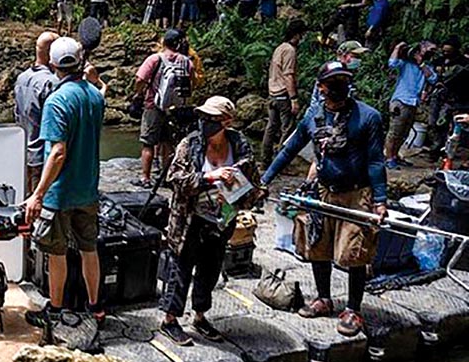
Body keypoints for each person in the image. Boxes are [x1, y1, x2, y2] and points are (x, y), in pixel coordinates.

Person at [261, 61, 387, 337]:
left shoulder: (368, 117)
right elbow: (288, 151)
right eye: (333, 83)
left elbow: (377, 161)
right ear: (321, 88)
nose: (339, 88)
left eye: (343, 82)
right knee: (317, 244)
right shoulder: (313, 117)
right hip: (324, 189)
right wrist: (264, 181)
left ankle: (353, 309)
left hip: (357, 192)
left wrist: (380, 200)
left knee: (354, 252)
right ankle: (323, 298)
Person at [159, 97, 261, 345]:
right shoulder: (190, 144)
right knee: (180, 267)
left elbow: (254, 182)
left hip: (222, 219)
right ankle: (170, 320)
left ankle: (200, 315)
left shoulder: (239, 145)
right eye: (203, 117)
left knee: (210, 267)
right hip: (189, 218)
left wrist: (242, 191)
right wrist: (209, 177)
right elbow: (174, 179)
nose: (205, 123)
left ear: (226, 121)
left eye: (212, 119)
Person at [23, 36, 106, 327]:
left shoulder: (56, 101)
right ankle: (95, 306)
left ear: (52, 64)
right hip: (88, 190)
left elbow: (57, 152)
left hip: (60, 193)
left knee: (56, 253)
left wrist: (38, 194)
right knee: (89, 249)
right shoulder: (96, 96)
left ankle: (55, 310)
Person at [134, 29, 195, 187]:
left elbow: (140, 79)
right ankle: (166, 177)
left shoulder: (155, 59)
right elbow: (192, 83)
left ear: (164, 42)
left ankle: (145, 178)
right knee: (168, 143)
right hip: (175, 109)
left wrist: (138, 94)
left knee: (148, 143)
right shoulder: (187, 62)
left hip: (153, 105)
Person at [14, 31, 60, 192]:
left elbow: (17, 114)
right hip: (42, 155)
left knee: (25, 199)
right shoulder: (51, 83)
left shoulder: (21, 77)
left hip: (22, 151)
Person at [384, 41, 438, 169]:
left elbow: (433, 78)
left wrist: (421, 63)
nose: (433, 51)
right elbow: (392, 64)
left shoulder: (427, 66)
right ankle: (389, 158)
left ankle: (395, 156)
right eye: (430, 48)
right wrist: (397, 47)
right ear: (420, 48)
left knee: (404, 132)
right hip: (400, 100)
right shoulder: (406, 63)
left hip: (414, 102)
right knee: (395, 131)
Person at [261, 20, 307, 168]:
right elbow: (288, 75)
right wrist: (294, 98)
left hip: (273, 94)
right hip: (283, 95)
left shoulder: (279, 48)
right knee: (287, 130)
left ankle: (265, 160)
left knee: (271, 128)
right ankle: (280, 163)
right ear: (297, 34)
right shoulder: (290, 51)